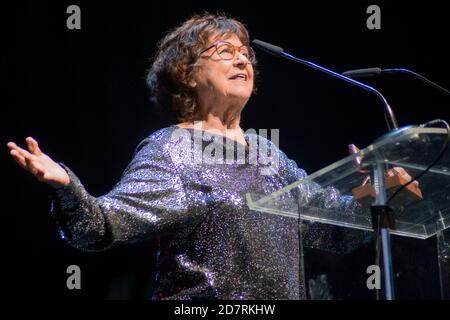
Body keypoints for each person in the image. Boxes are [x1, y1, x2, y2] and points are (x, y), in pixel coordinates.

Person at [7, 13, 364, 300]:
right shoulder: (172, 148)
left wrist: (376, 191)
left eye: (245, 53)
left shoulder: (268, 152)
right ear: (187, 74)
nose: (241, 58)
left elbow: (329, 225)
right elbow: (102, 226)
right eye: (225, 51)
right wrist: (67, 186)